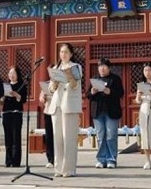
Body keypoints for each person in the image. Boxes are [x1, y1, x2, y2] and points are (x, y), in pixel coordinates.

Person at [46, 43, 83, 178]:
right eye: (61, 52)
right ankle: (58, 168)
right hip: (57, 105)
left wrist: (69, 76)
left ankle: (69, 169)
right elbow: (51, 89)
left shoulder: (76, 67)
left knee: (69, 138)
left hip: (69, 105)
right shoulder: (56, 68)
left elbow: (75, 85)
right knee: (58, 138)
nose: (63, 54)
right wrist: (54, 85)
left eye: (66, 52)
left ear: (71, 54)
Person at [87, 57, 124, 169]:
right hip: (98, 111)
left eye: (104, 66)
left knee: (111, 136)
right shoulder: (95, 79)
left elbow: (121, 93)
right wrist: (92, 92)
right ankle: (101, 159)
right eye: (100, 67)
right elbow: (87, 95)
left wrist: (110, 92)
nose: (101, 69)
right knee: (100, 136)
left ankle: (111, 159)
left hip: (111, 111)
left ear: (109, 68)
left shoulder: (115, 79)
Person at [2, 66, 27, 167]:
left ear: (17, 75)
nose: (11, 75)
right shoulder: (6, 86)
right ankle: (8, 160)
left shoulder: (22, 85)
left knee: (16, 137)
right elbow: (1, 99)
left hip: (16, 112)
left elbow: (23, 99)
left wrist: (17, 95)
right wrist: (2, 98)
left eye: (13, 73)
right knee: (7, 137)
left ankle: (16, 161)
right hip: (6, 112)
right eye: (10, 73)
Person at [39, 88, 54, 168]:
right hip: (48, 111)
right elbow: (41, 99)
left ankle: (59, 158)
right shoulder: (46, 86)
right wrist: (43, 98)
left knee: (59, 136)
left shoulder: (61, 83)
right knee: (49, 136)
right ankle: (50, 159)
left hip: (59, 112)